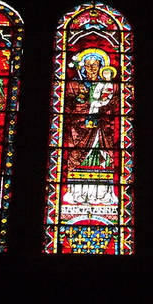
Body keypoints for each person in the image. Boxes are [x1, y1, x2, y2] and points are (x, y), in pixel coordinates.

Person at [62, 48, 118, 205]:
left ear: (101, 67)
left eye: (95, 65)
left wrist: (100, 107)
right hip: (80, 129)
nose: (92, 68)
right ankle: (76, 194)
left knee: (102, 157)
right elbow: (68, 105)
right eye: (88, 65)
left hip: (101, 129)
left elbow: (113, 105)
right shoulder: (75, 84)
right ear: (82, 67)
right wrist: (82, 102)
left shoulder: (107, 84)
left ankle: (102, 195)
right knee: (78, 156)